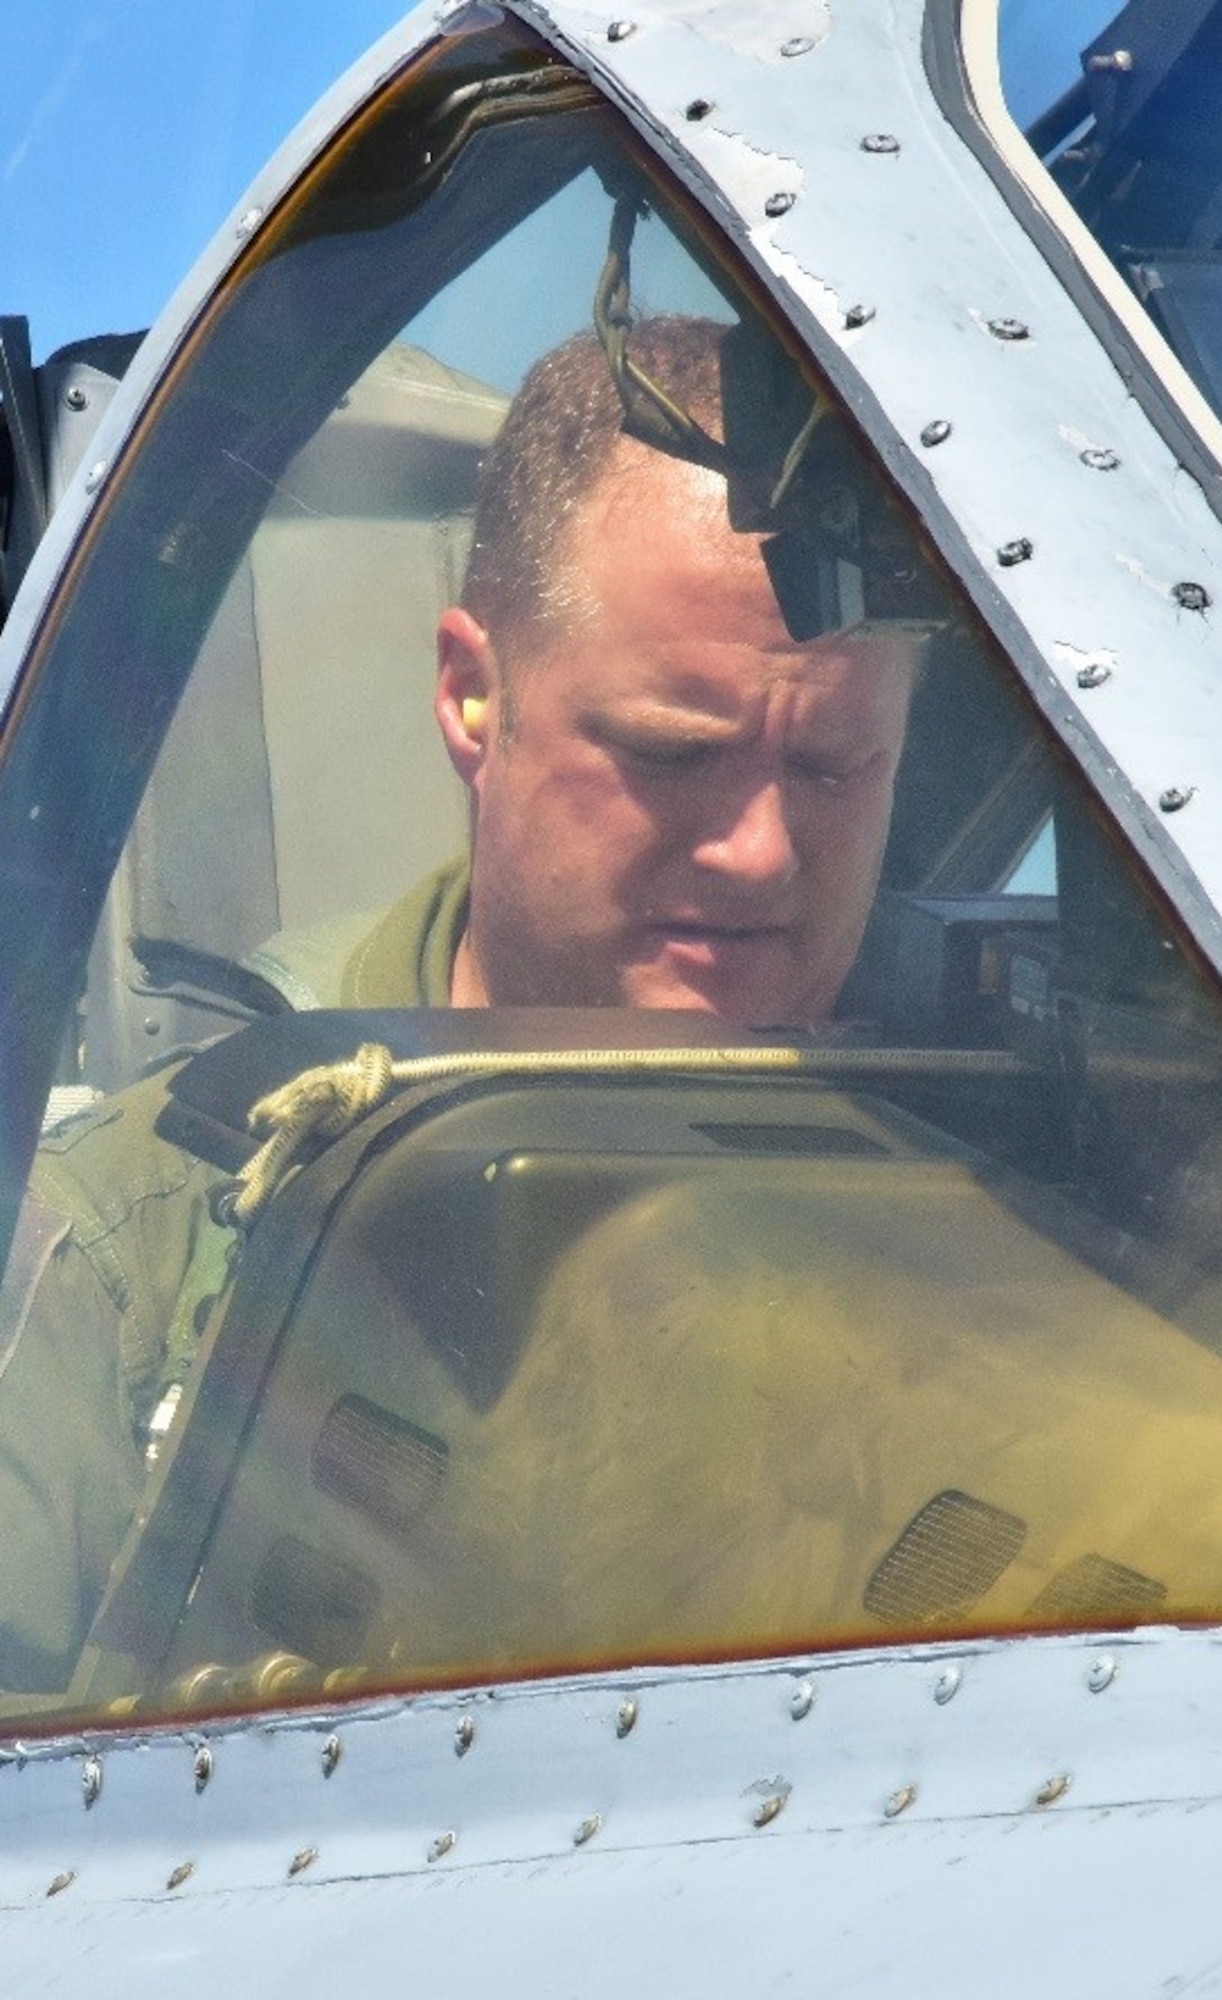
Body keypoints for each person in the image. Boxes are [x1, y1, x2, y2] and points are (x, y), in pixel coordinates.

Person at [0, 316, 920, 1691]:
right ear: (471, 696)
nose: (765, 852)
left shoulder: (1054, 1189)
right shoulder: (133, 1247)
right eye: (676, 753)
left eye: (839, 766)